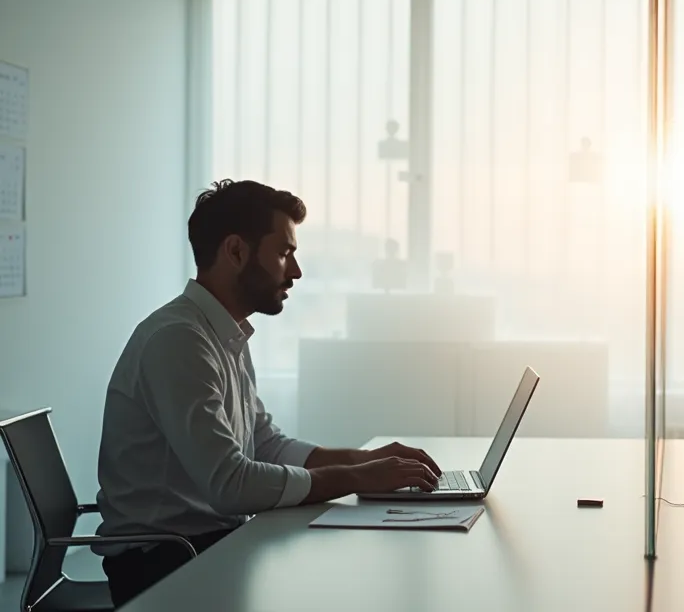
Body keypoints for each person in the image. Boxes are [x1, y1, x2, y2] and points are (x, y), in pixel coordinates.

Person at [95, 180, 443, 607]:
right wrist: (357, 478)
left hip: (207, 545)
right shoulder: (178, 341)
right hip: (165, 564)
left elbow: (266, 445)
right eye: (283, 253)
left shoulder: (223, 334)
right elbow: (231, 484)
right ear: (236, 251)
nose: (295, 271)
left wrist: (366, 460)